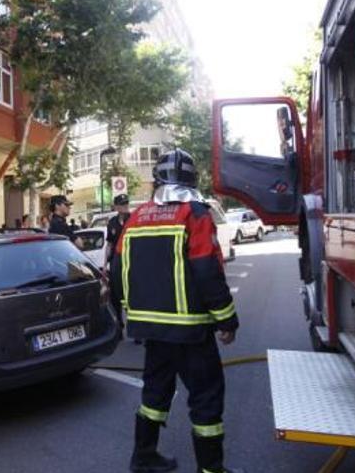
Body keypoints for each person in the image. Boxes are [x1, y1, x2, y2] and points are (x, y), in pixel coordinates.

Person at [112, 149, 241, 473]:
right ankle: (211, 470)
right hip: (191, 331)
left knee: (155, 392)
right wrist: (226, 319)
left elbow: (117, 271)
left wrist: (130, 312)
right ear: (191, 180)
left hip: (151, 331)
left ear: (157, 180)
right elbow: (206, 269)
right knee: (206, 397)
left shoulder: (136, 216)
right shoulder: (195, 213)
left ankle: (143, 458)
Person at [105, 194, 132, 327]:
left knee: (132, 293)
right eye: (122, 204)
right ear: (116, 206)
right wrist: (105, 265)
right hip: (116, 261)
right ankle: (119, 325)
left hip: (131, 260)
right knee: (116, 293)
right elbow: (109, 244)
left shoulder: (134, 219)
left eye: (126, 203)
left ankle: (135, 325)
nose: (125, 206)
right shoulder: (112, 222)